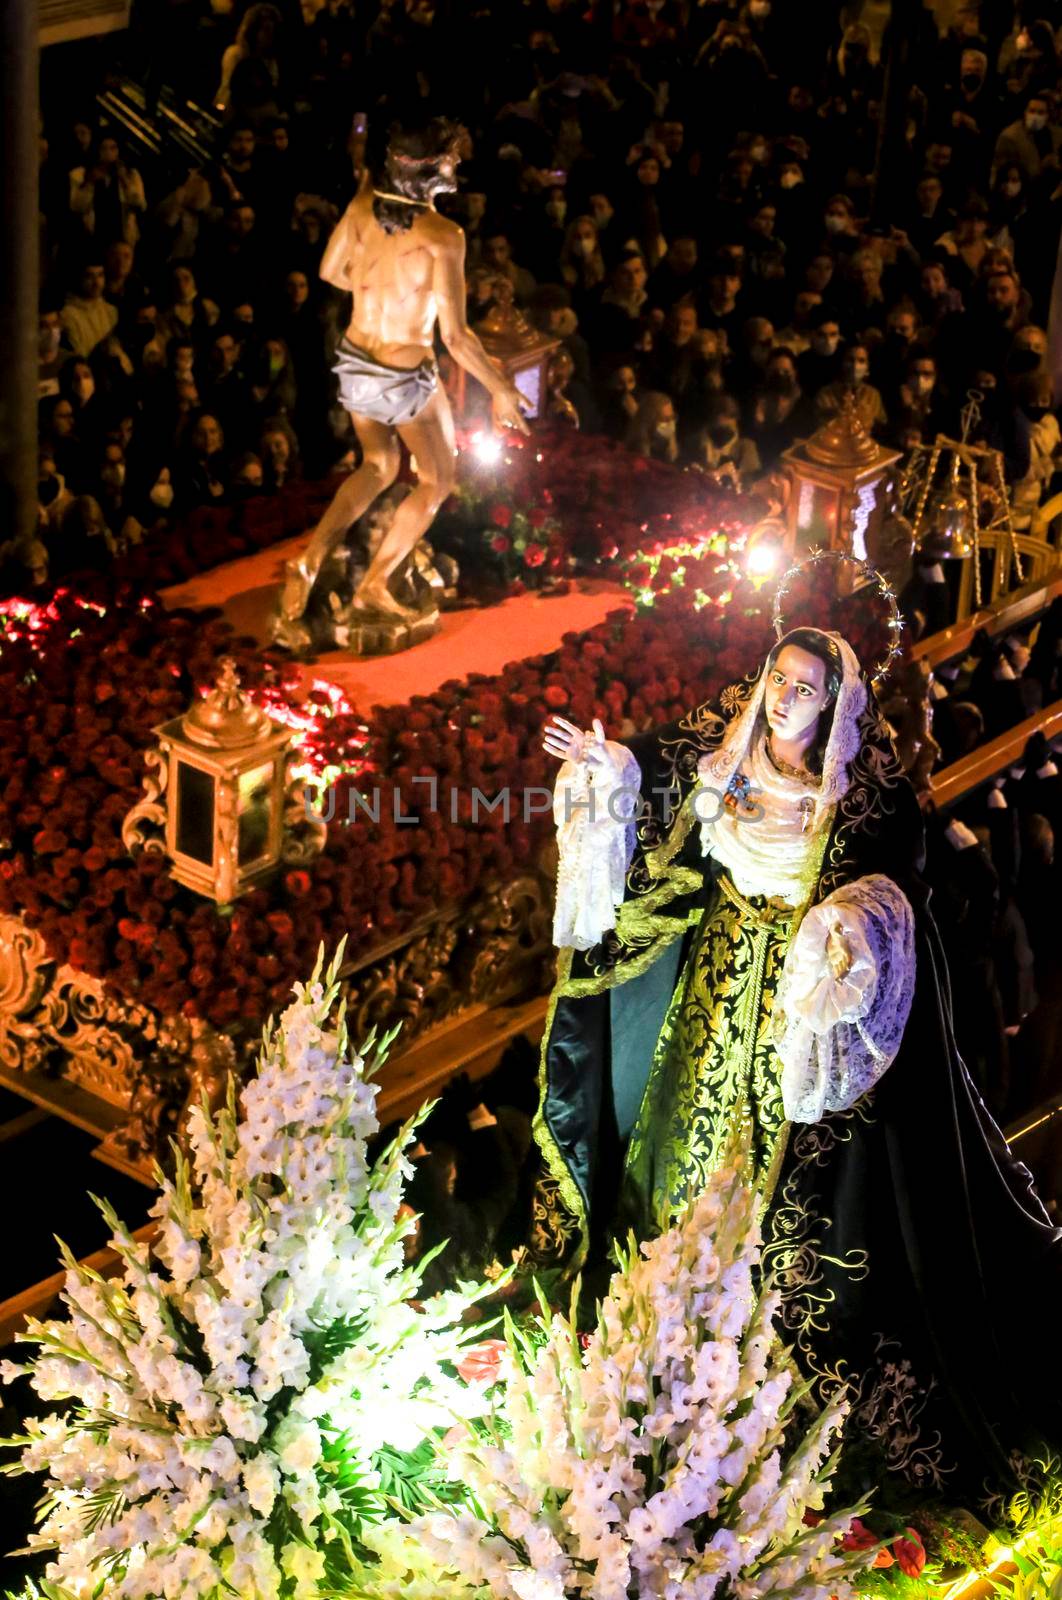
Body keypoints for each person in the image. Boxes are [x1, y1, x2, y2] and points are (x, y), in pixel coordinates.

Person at [535, 621, 1062, 1507]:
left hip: (797, 1005)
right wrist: (608, 770)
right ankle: (663, 1299)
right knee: (675, 1151)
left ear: (835, 703)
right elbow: (656, 786)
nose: (782, 696)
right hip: (711, 986)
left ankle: (750, 1340)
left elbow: (898, 883)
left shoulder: (866, 795)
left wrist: (850, 925)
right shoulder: (721, 742)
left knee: (791, 1188)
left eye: (803, 688)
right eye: (777, 677)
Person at [278, 117, 528, 628]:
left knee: (377, 465)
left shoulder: (361, 205)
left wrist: (379, 286)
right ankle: (373, 585)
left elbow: (328, 272)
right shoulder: (444, 235)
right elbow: (456, 338)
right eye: (452, 158)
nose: (458, 165)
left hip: (354, 361)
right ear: (430, 169)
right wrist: (501, 389)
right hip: (401, 373)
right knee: (437, 478)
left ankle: (308, 559)